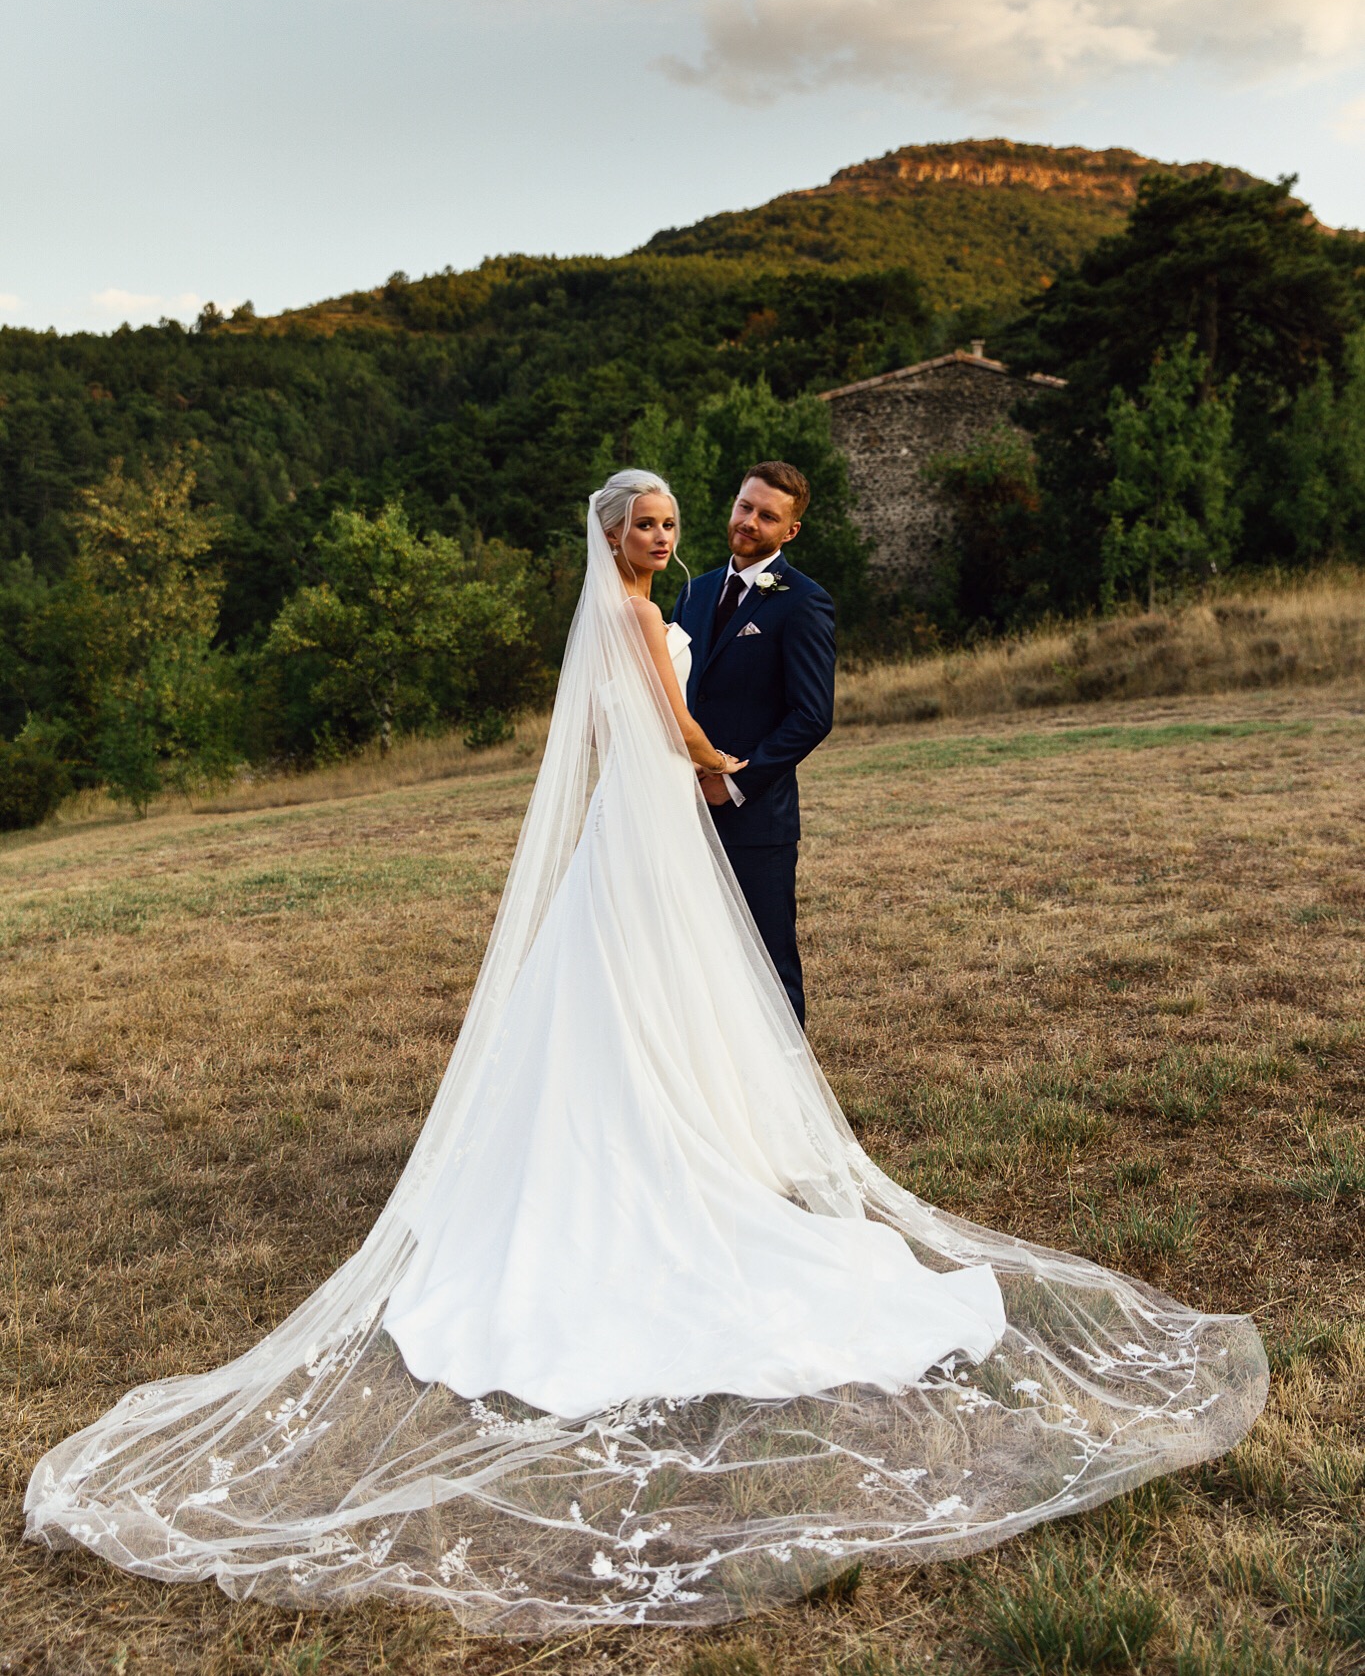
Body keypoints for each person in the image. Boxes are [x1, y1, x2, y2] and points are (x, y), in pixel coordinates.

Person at [25, 469, 1267, 1636]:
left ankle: (716, 1127)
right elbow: (669, 718)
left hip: (704, 818)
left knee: (704, 985)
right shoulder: (645, 609)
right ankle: (669, 1145)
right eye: (663, 521)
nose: (682, 535)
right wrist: (705, 761)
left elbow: (798, 712)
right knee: (639, 985)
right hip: (661, 817)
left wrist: (738, 773)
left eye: (694, 520)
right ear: (619, 532)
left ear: (781, 526)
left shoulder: (744, 601)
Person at [671, 462, 833, 1026]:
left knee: (767, 963)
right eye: (746, 506)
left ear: (790, 531)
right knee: (692, 956)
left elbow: (812, 715)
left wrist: (732, 782)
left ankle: (789, 1096)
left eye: (768, 516)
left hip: (755, 816)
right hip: (679, 806)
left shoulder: (803, 602)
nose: (750, 521)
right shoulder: (693, 592)